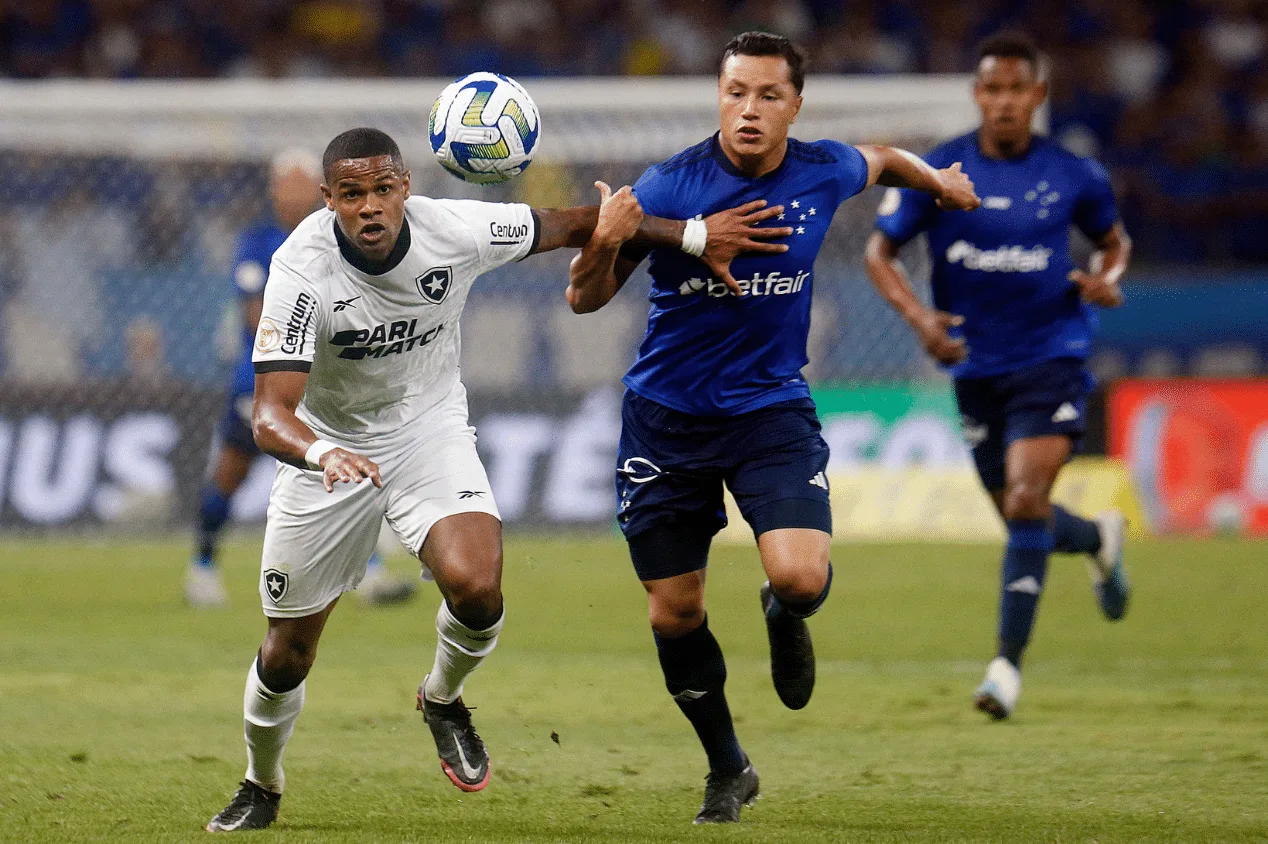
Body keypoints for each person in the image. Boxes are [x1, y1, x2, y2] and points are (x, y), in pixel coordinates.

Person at [206, 127, 786, 832]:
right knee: (288, 651)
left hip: (428, 432)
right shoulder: (300, 268)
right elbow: (271, 416)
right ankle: (261, 782)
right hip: (330, 451)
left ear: (406, 187)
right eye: (351, 194)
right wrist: (325, 455)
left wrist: (693, 236)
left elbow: (578, 223)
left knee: (478, 589)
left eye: (383, 188)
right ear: (329, 200)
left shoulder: (454, 228)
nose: (369, 206)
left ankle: (442, 698)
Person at [565, 32, 980, 824]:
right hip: (667, 422)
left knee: (801, 578)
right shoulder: (671, 186)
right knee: (673, 613)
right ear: (717, 96)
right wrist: (607, 240)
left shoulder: (822, 169)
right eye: (734, 93)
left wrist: (941, 183)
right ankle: (728, 768)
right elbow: (583, 299)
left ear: (796, 105)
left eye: (766, 96)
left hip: (768, 410)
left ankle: (783, 612)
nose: (747, 111)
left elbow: (886, 156)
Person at [864, 33, 1133, 721]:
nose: (1006, 101)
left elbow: (1114, 242)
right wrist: (920, 320)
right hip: (974, 364)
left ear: (1037, 96)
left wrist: (1108, 279)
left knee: (1022, 500)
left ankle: (1005, 669)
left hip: (1052, 355)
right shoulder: (940, 170)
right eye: (994, 89)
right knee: (1026, 515)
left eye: (1019, 89)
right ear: (978, 94)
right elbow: (880, 251)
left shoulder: (1075, 173)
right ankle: (1100, 539)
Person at [185, 149, 417, 608]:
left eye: (303, 184)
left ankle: (368, 574)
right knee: (231, 475)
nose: (294, 193)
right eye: (286, 184)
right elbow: (257, 318)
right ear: (274, 190)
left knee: (345, 470)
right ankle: (203, 567)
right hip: (261, 383)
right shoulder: (257, 242)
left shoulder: (338, 238)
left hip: (325, 383)